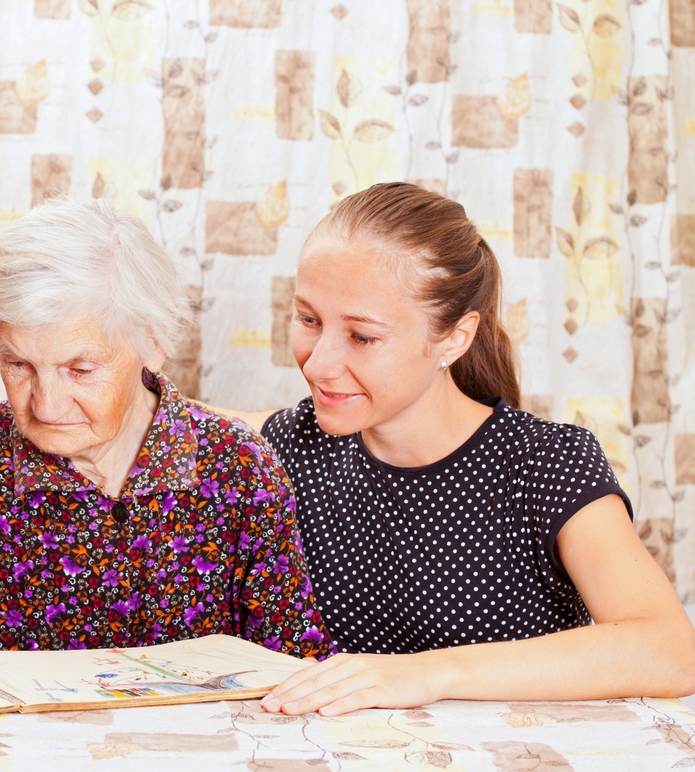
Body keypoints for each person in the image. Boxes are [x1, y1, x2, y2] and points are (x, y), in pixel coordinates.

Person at [229, 182, 695, 716]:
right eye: (309, 320)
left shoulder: (545, 463)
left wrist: (431, 673)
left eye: (362, 337)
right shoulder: (296, 441)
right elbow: (174, 417)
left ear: (453, 338)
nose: (317, 364)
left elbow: (671, 650)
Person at [0, 199, 333, 659]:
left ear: (153, 343)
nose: (47, 405)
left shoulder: (240, 468)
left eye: (80, 370)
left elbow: (294, 669)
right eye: (19, 365)